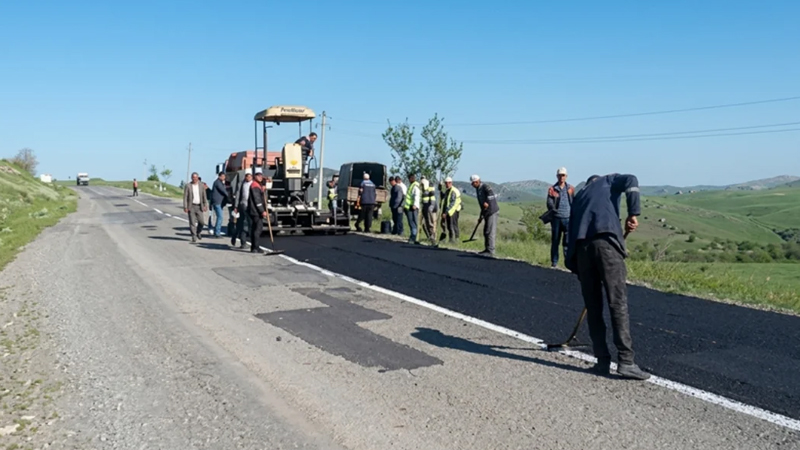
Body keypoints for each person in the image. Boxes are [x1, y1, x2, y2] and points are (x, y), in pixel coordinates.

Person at [564, 173, 649, 380]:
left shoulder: (580, 195)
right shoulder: (609, 180)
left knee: (594, 308)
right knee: (617, 303)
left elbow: (569, 232)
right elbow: (632, 180)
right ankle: (626, 361)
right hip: (606, 244)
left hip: (582, 251)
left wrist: (575, 266)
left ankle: (601, 361)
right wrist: (633, 213)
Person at [547, 167, 575, 267]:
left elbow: (573, 202)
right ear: (557, 176)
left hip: (568, 218)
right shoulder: (552, 189)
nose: (561, 177)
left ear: (566, 176)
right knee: (555, 241)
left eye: (563, 175)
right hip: (556, 219)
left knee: (567, 242)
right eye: (560, 175)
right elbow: (549, 203)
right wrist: (554, 209)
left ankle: (568, 263)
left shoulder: (571, 188)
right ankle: (554, 262)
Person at [471, 174, 498, 256]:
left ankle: (491, 251)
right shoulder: (478, 189)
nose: (472, 185)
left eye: (473, 183)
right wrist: (480, 217)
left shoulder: (485, 187)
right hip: (486, 212)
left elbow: (490, 194)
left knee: (490, 231)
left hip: (492, 211)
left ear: (477, 181)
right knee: (486, 231)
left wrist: (487, 202)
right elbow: (482, 205)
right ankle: (487, 249)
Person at [182, 172, 208, 243]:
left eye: (196, 177)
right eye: (193, 177)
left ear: (198, 178)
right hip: (191, 206)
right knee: (192, 222)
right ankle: (194, 236)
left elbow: (204, 196)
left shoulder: (201, 185)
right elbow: (185, 197)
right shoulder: (188, 186)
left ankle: (198, 232)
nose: (195, 179)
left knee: (202, 222)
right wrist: (185, 207)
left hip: (199, 206)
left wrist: (205, 205)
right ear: (191, 178)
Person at [247, 171, 268, 254]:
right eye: (258, 176)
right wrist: (262, 211)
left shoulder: (257, 185)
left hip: (253, 210)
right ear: (255, 177)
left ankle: (253, 247)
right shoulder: (255, 186)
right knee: (257, 229)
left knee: (254, 229)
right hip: (255, 211)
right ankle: (256, 247)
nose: (260, 177)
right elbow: (257, 200)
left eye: (261, 176)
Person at [231, 171, 254, 248]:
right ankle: (243, 242)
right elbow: (238, 195)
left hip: (252, 206)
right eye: (247, 176)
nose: (248, 178)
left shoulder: (254, 184)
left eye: (250, 176)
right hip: (243, 206)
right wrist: (236, 206)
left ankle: (251, 243)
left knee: (249, 224)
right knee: (244, 224)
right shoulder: (241, 184)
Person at [441, 176, 462, 243]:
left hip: (453, 210)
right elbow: (444, 198)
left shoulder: (453, 191)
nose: (446, 184)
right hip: (449, 211)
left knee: (453, 225)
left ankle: (456, 239)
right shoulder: (448, 191)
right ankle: (451, 239)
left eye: (447, 183)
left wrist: (446, 212)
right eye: (445, 183)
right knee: (449, 225)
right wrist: (440, 189)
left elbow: (452, 203)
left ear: (450, 183)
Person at [403, 173, 421, 244]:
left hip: (413, 207)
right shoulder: (411, 185)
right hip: (409, 207)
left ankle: (414, 237)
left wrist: (415, 205)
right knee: (411, 222)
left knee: (413, 222)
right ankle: (413, 236)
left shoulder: (415, 185)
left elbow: (416, 195)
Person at [210, 172, 229, 237]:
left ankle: (217, 231)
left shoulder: (219, 182)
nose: (224, 178)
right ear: (219, 176)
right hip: (217, 202)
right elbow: (223, 191)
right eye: (223, 176)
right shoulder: (218, 183)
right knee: (220, 217)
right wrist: (229, 196)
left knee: (220, 217)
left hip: (219, 202)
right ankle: (217, 232)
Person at [420, 177, 438, 245]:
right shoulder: (422, 190)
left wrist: (429, 209)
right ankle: (429, 236)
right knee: (424, 224)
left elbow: (432, 201)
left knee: (431, 224)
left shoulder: (430, 189)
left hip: (430, 209)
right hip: (424, 208)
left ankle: (433, 238)